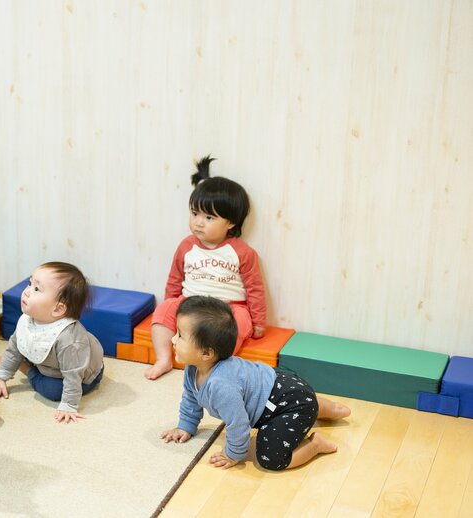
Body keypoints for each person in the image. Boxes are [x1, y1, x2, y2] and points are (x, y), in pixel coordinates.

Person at [160, 296, 350, 471]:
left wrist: (233, 454)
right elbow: (191, 398)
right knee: (301, 400)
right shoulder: (193, 368)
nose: (172, 339)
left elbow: (239, 424)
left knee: (272, 459)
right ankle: (325, 407)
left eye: (180, 336)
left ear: (207, 353)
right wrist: (185, 425)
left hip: (285, 402)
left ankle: (315, 444)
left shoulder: (221, 386)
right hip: (283, 386)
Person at [145, 155, 267, 380]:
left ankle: (216, 368)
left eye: (209, 217)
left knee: (239, 323)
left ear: (230, 223)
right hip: (191, 302)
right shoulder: (187, 246)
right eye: (194, 214)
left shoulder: (242, 252)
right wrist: (171, 302)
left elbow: (255, 288)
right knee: (163, 310)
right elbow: (175, 278)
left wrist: (259, 320)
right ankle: (163, 358)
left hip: (228, 309)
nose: (198, 222)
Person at [0, 262, 105, 424]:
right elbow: (13, 348)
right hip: (52, 363)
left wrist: (68, 405)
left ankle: (26, 369)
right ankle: (28, 364)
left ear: (58, 309)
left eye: (36, 289)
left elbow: (73, 376)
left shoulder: (68, 340)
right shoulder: (28, 319)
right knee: (16, 353)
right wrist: (1, 377)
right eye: (30, 283)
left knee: (53, 391)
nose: (26, 292)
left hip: (82, 375)